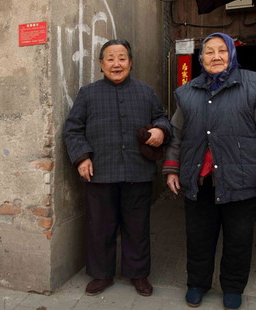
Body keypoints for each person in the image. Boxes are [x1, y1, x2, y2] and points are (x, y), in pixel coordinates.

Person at [163, 32, 256, 310]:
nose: (216, 57)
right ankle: (197, 284)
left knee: (239, 239)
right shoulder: (187, 92)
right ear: (201, 57)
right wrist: (171, 169)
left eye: (222, 51)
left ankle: (232, 287)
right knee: (198, 237)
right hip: (199, 179)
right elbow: (176, 135)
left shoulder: (254, 87)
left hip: (241, 180)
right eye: (209, 52)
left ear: (232, 54)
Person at [64, 39, 172, 297]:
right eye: (110, 58)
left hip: (138, 171)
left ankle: (138, 274)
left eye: (122, 58)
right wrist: (82, 158)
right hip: (100, 171)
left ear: (130, 63)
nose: (116, 63)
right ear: (101, 65)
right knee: (100, 226)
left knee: (137, 227)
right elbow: (73, 128)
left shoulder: (145, 92)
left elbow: (162, 118)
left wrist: (160, 130)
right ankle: (102, 274)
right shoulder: (88, 93)